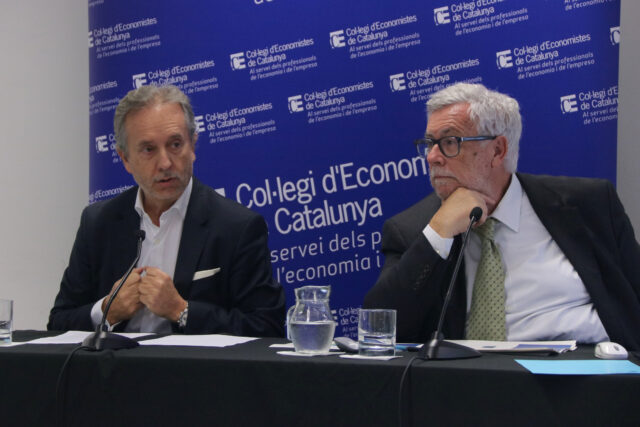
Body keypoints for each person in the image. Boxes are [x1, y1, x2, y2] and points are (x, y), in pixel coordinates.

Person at [364, 82, 640, 350]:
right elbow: (379, 333)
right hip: (472, 378)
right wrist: (439, 232)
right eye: (429, 143)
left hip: (588, 369)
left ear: (497, 150)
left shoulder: (588, 205)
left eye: (449, 142)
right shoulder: (413, 229)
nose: (432, 157)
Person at [48, 85, 285, 336]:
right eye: (148, 149)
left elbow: (266, 327)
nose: (165, 163)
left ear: (192, 146)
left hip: (191, 362)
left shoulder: (236, 227)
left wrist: (182, 311)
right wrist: (108, 310)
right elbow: (58, 324)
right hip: (115, 362)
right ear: (125, 158)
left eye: (175, 144)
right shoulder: (98, 223)